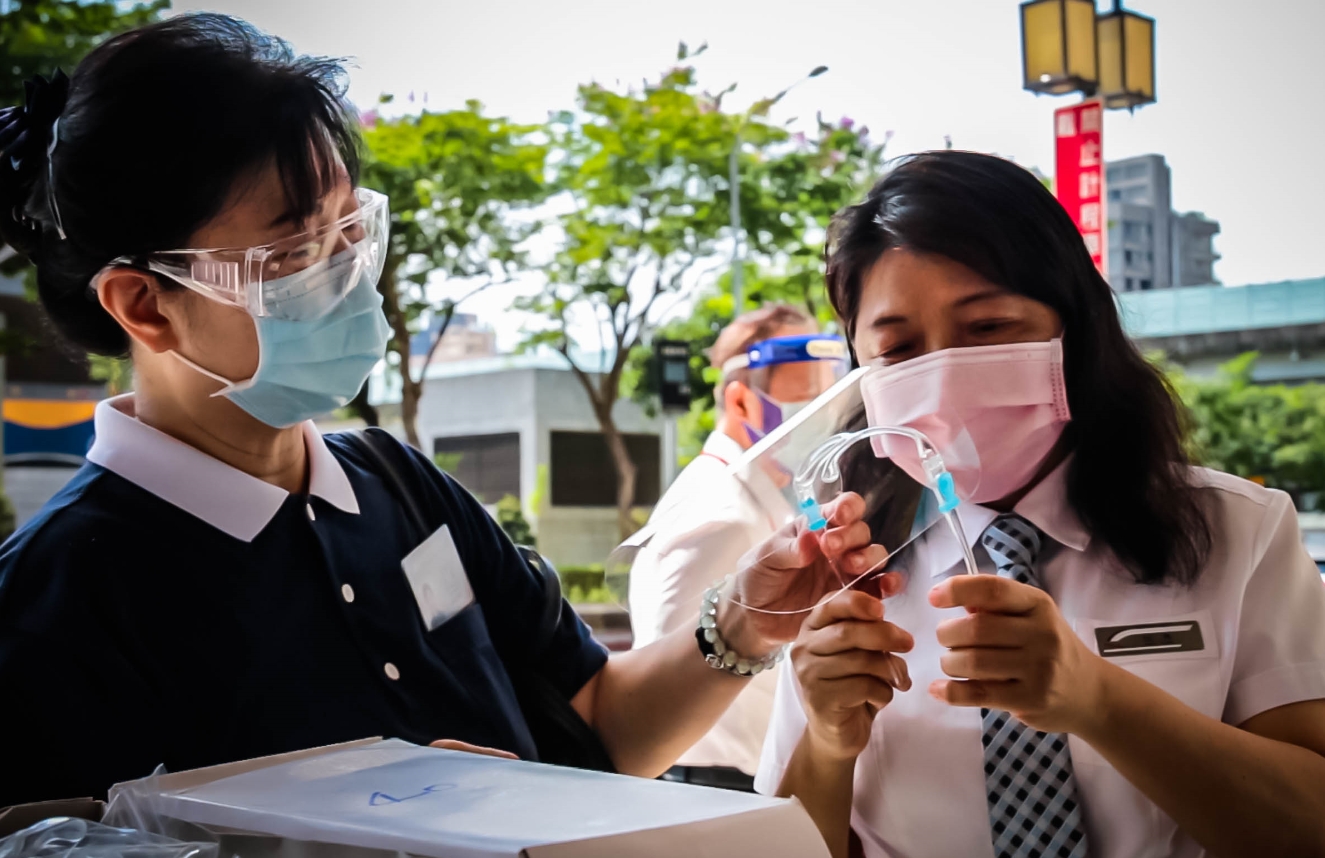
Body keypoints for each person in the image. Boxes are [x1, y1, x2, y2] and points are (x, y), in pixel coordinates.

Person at [0, 14, 884, 806]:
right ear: (146, 306)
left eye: (352, 231)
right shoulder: (53, 606)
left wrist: (738, 621)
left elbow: (603, 730)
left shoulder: (400, 486)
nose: (349, 274)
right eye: (297, 249)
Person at [756, 151, 1325, 858]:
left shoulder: (1236, 533)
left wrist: (1097, 699)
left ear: (1073, 328)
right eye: (899, 349)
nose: (939, 380)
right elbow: (783, 839)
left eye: (987, 328)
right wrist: (827, 743)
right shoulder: (841, 559)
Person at [628, 305, 848, 790]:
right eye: (805, 397)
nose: (821, 413)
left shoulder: (761, 499)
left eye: (825, 393)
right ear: (742, 402)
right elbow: (665, 682)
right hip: (709, 785)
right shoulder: (718, 515)